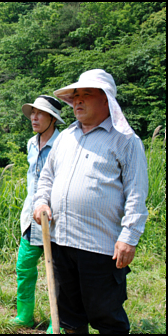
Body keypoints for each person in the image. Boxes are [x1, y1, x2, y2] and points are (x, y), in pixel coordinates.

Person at [33, 69, 148, 334]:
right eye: (75, 96)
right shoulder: (65, 137)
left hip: (100, 247)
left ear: (107, 100)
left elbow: (137, 193)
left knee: (106, 316)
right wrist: (41, 202)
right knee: (70, 317)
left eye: (87, 95)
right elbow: (46, 177)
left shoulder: (126, 141)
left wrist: (129, 237)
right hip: (60, 242)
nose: (78, 101)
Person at [10, 96, 65, 333]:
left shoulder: (65, 144)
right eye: (32, 113)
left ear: (53, 118)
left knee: (59, 273)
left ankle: (57, 322)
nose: (34, 117)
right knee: (24, 266)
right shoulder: (31, 143)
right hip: (30, 217)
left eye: (40, 113)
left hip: (58, 220)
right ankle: (24, 315)